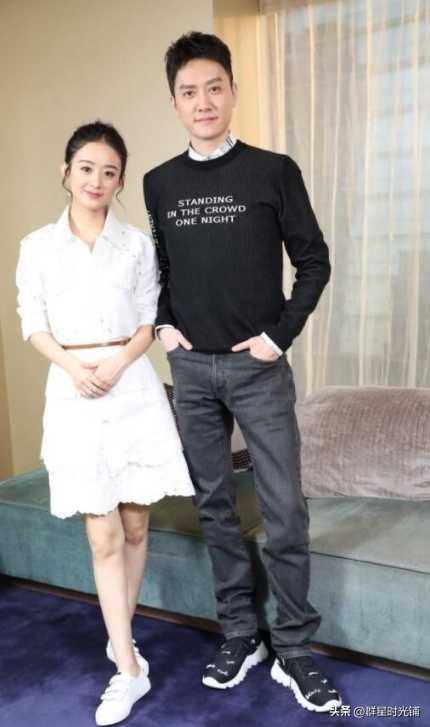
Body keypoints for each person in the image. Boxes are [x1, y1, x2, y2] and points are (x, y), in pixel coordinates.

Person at [143, 32, 342, 713]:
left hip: (258, 371)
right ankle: (239, 633)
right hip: (192, 373)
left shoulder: (273, 171)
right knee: (215, 507)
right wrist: (164, 326)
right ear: (175, 102)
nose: (203, 102)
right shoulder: (159, 183)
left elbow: (314, 260)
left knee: (284, 510)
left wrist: (278, 336)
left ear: (232, 91)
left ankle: (294, 647)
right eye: (188, 92)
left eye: (214, 88)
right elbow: (160, 270)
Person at [16, 121, 195, 726]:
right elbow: (33, 322)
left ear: (120, 182)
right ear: (66, 172)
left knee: (137, 525)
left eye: (110, 172)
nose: (97, 180)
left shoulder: (137, 246)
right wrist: (75, 368)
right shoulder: (38, 246)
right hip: (74, 391)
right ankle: (129, 668)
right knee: (103, 534)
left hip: (132, 385)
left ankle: (123, 640)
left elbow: (149, 319)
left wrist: (117, 364)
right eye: (87, 168)